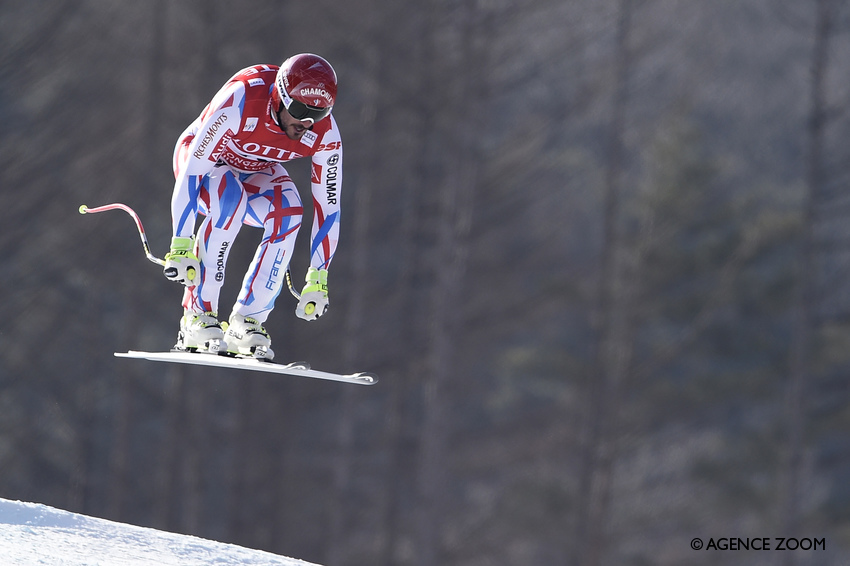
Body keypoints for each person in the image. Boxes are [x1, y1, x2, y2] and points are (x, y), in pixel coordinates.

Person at [162, 53, 342, 360]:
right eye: (299, 110)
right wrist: (181, 243)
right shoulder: (243, 99)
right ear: (278, 97)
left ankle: (248, 321)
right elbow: (194, 171)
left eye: (320, 113)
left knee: (290, 211)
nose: (306, 123)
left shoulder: (324, 134)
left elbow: (329, 206)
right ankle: (197, 316)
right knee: (229, 201)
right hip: (204, 163)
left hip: (255, 169)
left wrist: (318, 277)